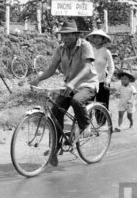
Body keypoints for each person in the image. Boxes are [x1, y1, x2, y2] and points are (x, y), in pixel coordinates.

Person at [29, 20, 97, 167]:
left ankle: (85, 126)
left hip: (87, 84)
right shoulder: (61, 49)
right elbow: (51, 69)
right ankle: (55, 148)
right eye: (62, 35)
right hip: (68, 86)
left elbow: (86, 68)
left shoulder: (85, 46)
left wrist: (73, 83)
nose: (64, 38)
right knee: (55, 112)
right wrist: (38, 79)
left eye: (67, 35)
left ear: (75, 34)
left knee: (77, 101)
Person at [85, 29, 114, 115]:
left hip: (102, 81)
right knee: (87, 104)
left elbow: (112, 67)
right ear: (92, 39)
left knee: (102, 105)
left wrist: (108, 79)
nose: (97, 39)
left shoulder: (106, 51)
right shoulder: (89, 50)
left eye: (99, 37)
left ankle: (102, 124)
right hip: (90, 81)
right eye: (95, 37)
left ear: (103, 39)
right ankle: (87, 125)